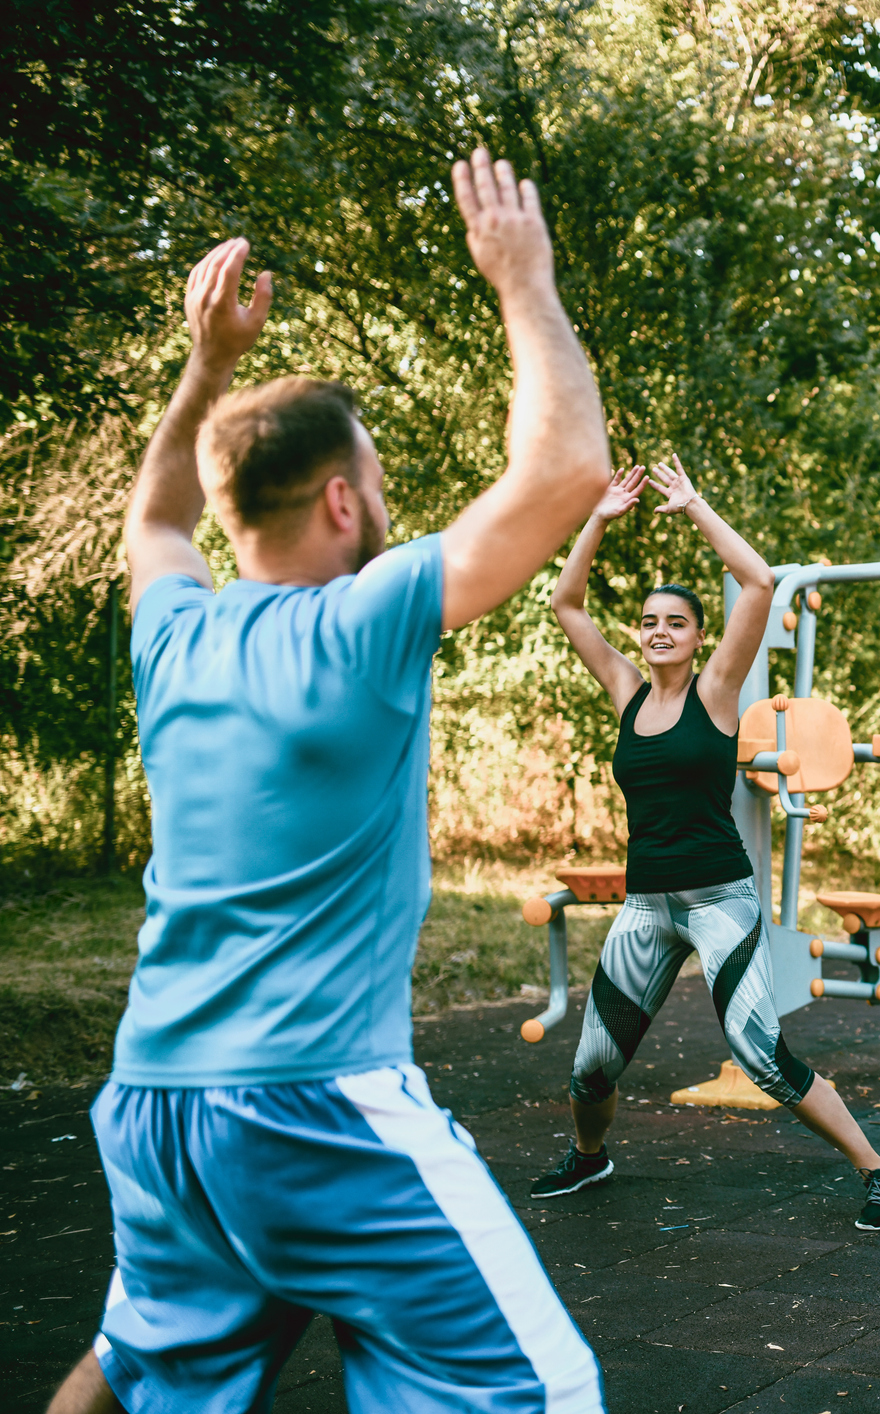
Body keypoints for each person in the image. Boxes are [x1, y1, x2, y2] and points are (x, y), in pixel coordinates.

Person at [48, 151, 608, 1414]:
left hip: (153, 1104)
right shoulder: (361, 624)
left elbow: (153, 520)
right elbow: (568, 466)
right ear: (346, 500)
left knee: (141, 1370)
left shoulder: (174, 636)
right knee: (540, 1391)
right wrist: (522, 278)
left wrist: (207, 370)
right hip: (312, 1101)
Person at [529, 458, 880, 1231]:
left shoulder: (715, 691)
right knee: (590, 1067)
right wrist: (600, 516)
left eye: (676, 622)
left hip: (717, 899)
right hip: (648, 904)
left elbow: (761, 583)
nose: (659, 631)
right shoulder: (624, 691)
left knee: (759, 1054)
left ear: (699, 636)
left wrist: (694, 504)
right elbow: (565, 603)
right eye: (649, 622)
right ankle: (589, 1155)